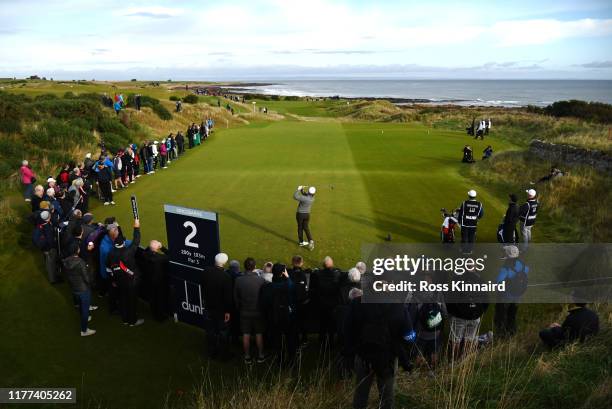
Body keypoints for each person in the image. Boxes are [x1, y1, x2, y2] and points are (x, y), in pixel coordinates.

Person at [344, 301, 413, 409]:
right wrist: (402, 351)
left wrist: (351, 352)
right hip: (387, 360)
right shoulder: (398, 306)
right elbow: (409, 335)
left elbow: (347, 331)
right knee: (387, 397)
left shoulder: (357, 303)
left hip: (363, 358)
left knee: (361, 395)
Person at [446, 269, 489, 359]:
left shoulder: (456, 279)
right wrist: (480, 312)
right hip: (475, 317)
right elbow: (486, 299)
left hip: (459, 317)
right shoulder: (480, 280)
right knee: (469, 339)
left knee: (455, 340)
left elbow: (449, 299)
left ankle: (454, 362)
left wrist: (451, 313)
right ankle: (465, 360)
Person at [107, 218, 143, 326]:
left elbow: (109, 269)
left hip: (119, 281)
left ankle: (125, 319)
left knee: (123, 299)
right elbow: (136, 241)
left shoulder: (111, 253)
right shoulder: (128, 252)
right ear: (123, 242)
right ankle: (132, 321)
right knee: (131, 301)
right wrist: (136, 227)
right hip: (131, 281)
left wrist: (113, 280)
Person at [261, 263, 297, 365]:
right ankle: (290, 359)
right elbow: (294, 294)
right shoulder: (288, 285)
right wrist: (288, 278)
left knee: (277, 339)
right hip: (287, 317)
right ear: (283, 273)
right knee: (290, 339)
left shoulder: (268, 287)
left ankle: (280, 359)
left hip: (275, 317)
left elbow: (265, 303)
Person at [233, 257, 266, 364]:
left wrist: (239, 308)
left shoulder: (239, 280)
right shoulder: (261, 280)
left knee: (246, 334)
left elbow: (235, 298)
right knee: (258, 334)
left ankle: (247, 356)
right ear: (254, 267)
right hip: (257, 311)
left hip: (245, 311)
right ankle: (260, 355)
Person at [201, 253, 233, 359]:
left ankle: (211, 352)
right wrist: (227, 311)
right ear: (225, 263)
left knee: (210, 331)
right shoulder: (226, 277)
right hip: (220, 310)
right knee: (223, 333)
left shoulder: (206, 271)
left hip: (209, 306)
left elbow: (203, 285)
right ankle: (223, 355)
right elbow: (227, 297)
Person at [63, 241, 97, 336]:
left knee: (81, 307)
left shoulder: (66, 261)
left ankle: (84, 319)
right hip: (83, 289)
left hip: (74, 288)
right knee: (85, 310)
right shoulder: (80, 262)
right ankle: (84, 330)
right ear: (77, 250)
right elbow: (87, 278)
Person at [494, 245, 528, 338]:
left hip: (506, 296)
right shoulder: (523, 265)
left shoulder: (506, 268)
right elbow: (526, 273)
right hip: (518, 296)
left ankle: (502, 336)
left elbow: (498, 282)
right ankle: (512, 333)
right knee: (512, 316)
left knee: (502, 316)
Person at [310, 256, 341, 345]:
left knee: (323, 324)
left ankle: (322, 341)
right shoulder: (336, 273)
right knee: (330, 324)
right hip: (331, 304)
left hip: (322, 304)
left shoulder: (318, 274)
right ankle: (330, 342)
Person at [142, 240, 169, 321]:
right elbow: (170, 255)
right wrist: (162, 247)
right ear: (157, 248)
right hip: (158, 283)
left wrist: (152, 245)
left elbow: (146, 250)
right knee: (159, 299)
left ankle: (154, 314)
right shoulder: (160, 258)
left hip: (148, 281)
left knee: (152, 299)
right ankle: (160, 317)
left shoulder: (145, 254)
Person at [288, 255, 311, 346]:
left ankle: (296, 339)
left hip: (294, 303)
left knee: (294, 322)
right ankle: (304, 339)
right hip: (302, 303)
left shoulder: (289, 273)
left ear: (292, 262)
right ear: (301, 263)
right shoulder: (306, 274)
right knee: (302, 322)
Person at [456, 190, 484, 254]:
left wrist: (459, 221)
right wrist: (477, 218)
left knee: (464, 237)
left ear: (469, 196)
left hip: (465, 223)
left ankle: (463, 250)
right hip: (473, 224)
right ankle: (470, 250)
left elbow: (461, 213)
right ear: (475, 196)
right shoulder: (479, 204)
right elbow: (481, 214)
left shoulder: (464, 203)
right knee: (471, 237)